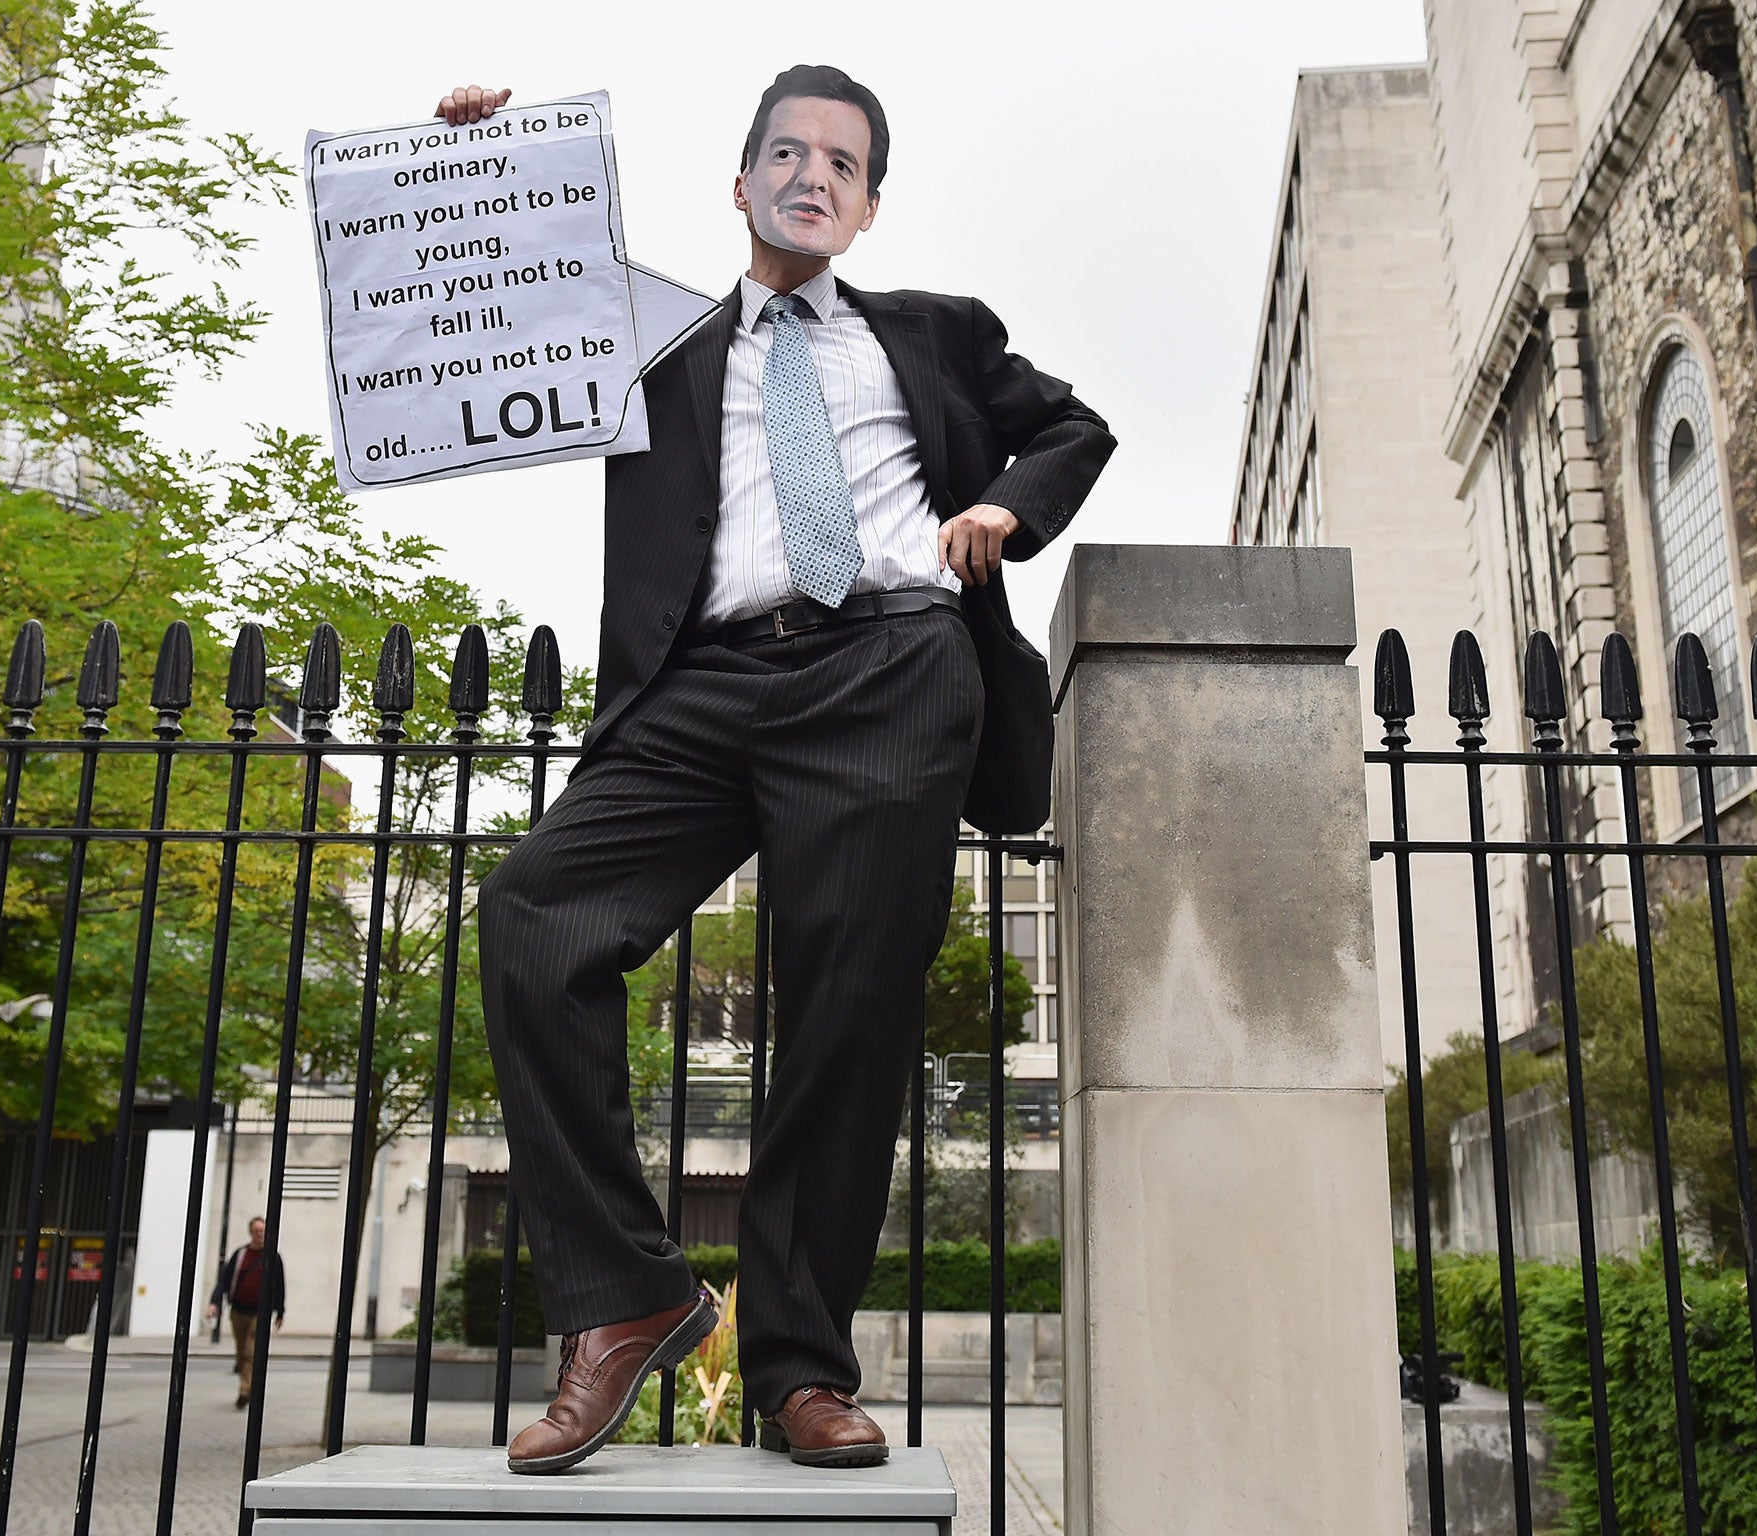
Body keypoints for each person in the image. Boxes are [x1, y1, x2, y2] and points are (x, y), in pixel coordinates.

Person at [439, 65, 1113, 1475]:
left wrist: (1001, 502)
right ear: (740, 185)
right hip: (707, 680)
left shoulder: (931, 334)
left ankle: (801, 1370)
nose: (813, 177)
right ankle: (629, 1299)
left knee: (845, 1016)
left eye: (843, 165)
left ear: (867, 209)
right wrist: (484, 161)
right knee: (533, 919)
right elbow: (511, 279)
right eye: (787, 155)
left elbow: (1072, 427)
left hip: (888, 668)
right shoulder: (661, 344)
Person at [206, 1216, 285, 1409]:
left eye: (263, 1231)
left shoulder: (273, 1257)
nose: (260, 1234)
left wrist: (280, 1312)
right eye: (257, 1231)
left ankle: (245, 1389)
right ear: (250, 1233)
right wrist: (214, 1303)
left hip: (260, 1311)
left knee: (250, 1351)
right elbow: (224, 1281)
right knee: (241, 1352)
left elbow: (279, 1286)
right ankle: (248, 1386)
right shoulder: (240, 1255)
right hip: (238, 1310)